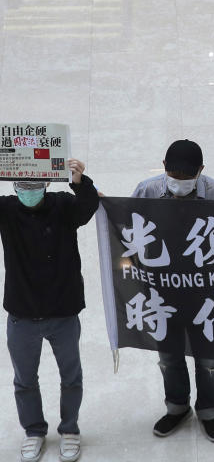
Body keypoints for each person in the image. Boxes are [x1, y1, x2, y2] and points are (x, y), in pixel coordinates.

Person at [131, 139, 214, 444]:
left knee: (208, 359)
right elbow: (128, 226)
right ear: (164, 168)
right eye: (174, 177)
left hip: (205, 291)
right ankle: (177, 407)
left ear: (201, 171)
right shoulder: (147, 191)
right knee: (168, 355)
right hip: (161, 290)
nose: (179, 183)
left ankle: (209, 412)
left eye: (187, 178)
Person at [0, 159, 98, 462]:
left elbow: (88, 206)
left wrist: (80, 181)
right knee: (24, 379)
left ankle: (70, 429)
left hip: (63, 311)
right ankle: (34, 431)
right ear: (14, 186)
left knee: (71, 376)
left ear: (47, 184)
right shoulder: (6, 210)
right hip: (22, 313)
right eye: (22, 188)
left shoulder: (63, 206)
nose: (28, 193)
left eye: (34, 187)